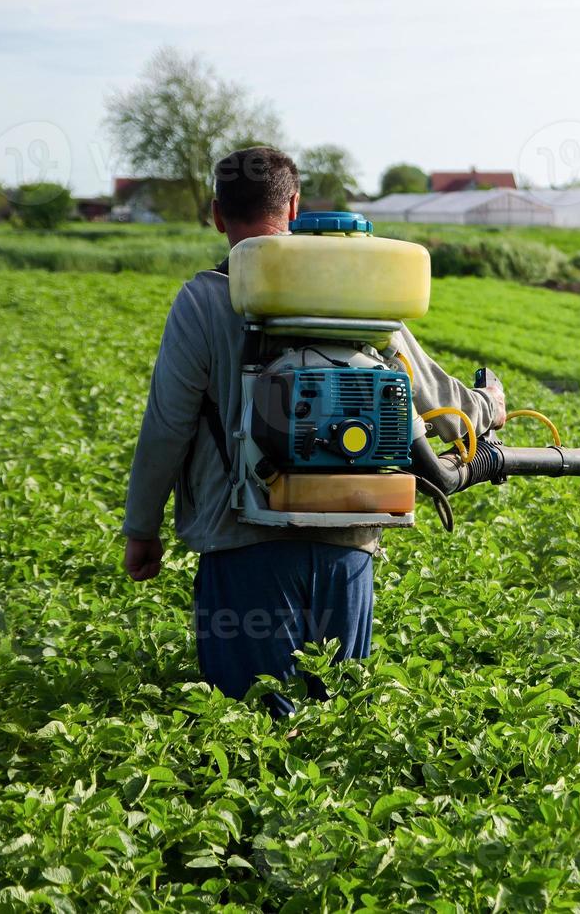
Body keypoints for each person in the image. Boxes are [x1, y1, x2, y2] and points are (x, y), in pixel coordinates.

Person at [121, 146, 503, 716]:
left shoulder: (203, 300)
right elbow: (433, 399)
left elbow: (166, 428)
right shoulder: (355, 288)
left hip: (243, 544)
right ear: (295, 206)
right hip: (346, 542)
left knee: (250, 731)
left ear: (216, 214)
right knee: (337, 729)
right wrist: (487, 406)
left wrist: (142, 528)